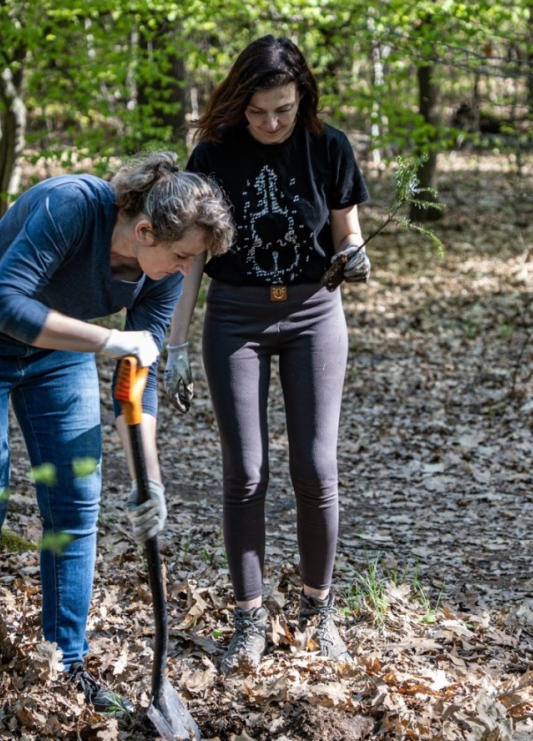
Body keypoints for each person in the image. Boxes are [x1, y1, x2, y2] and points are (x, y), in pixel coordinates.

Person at [0, 151, 234, 712]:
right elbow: (2, 303)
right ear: (144, 230)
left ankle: (66, 662)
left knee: (76, 501)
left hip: (54, 353)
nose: (187, 270)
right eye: (184, 254)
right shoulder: (68, 204)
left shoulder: (162, 274)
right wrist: (110, 341)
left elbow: (139, 380)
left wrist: (150, 483)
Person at [163, 35, 371, 675]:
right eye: (259, 111)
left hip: (313, 313)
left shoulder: (328, 146)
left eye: (282, 108)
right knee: (246, 472)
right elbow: (192, 256)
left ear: (301, 96)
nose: (271, 122)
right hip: (237, 318)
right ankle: (249, 618)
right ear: (240, 103)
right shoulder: (214, 153)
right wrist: (176, 345)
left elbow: (349, 235)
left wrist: (357, 259)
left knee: (314, 466)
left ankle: (318, 610)